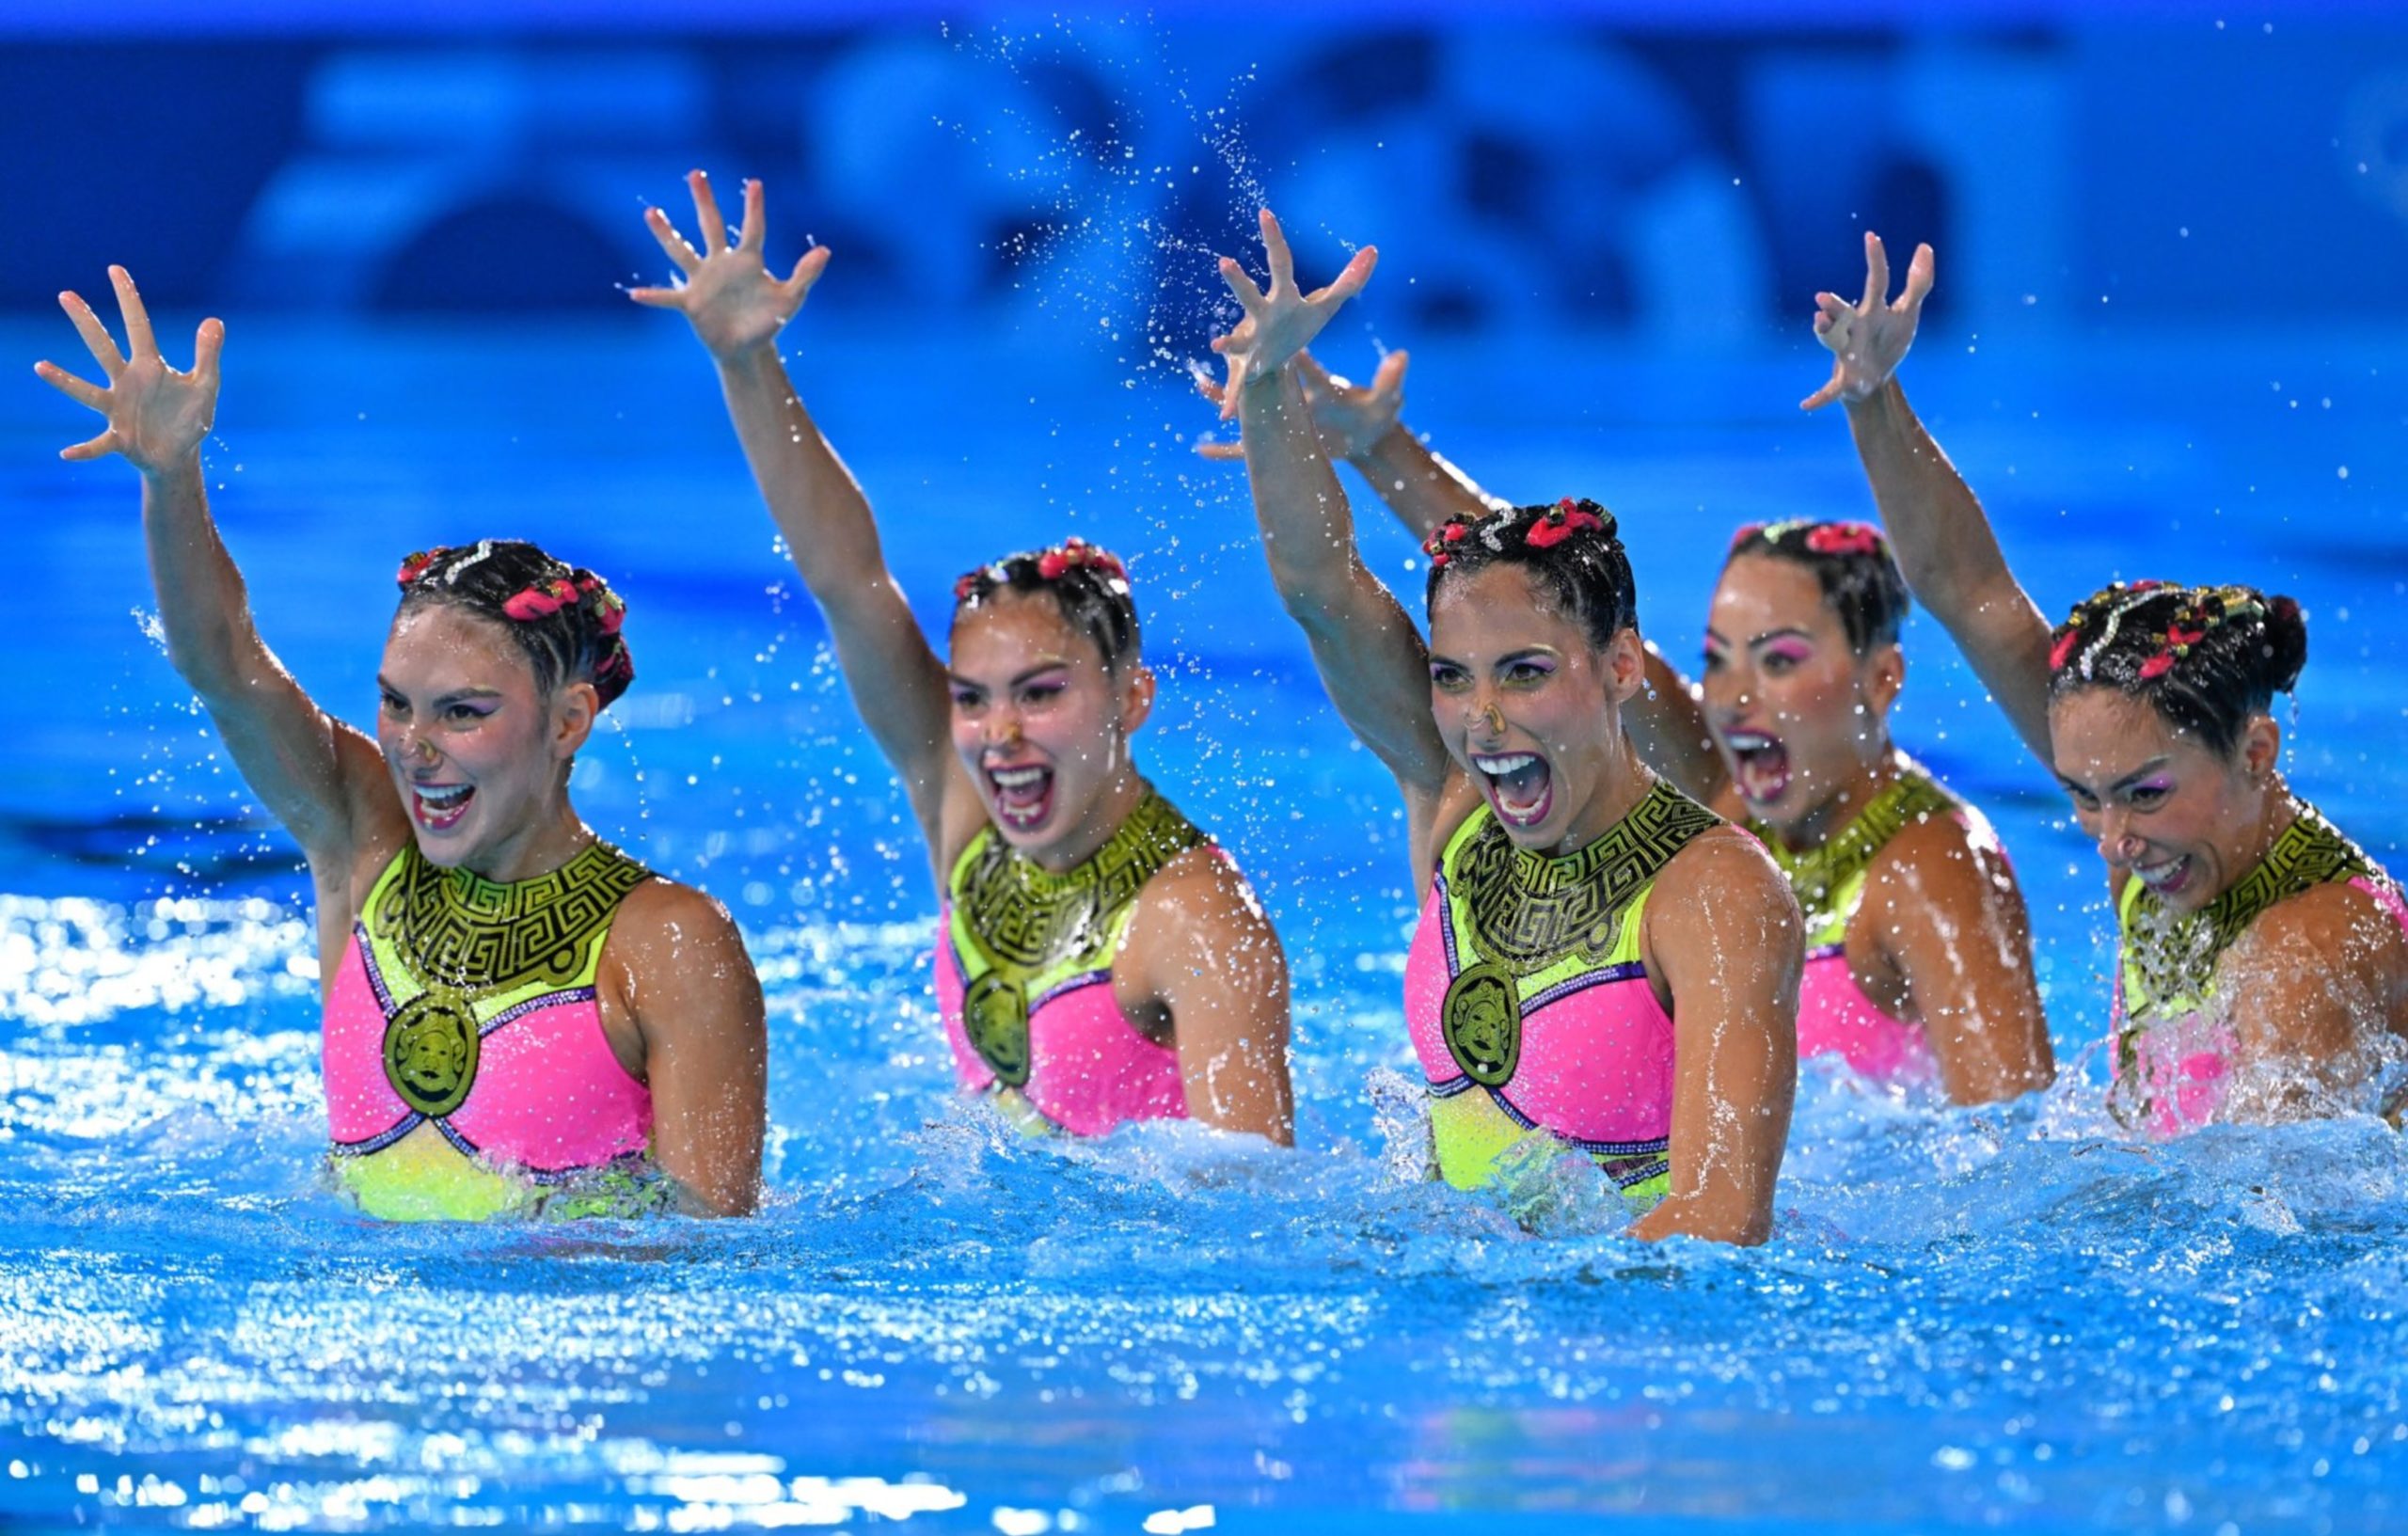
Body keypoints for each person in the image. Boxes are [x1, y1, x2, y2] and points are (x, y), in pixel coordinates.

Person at [36, 268, 768, 1219]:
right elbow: (225, 668)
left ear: (569, 720)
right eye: (396, 704)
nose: (416, 747)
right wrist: (171, 477)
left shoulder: (669, 943)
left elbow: (713, 1255)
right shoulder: (362, 844)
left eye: (462, 712)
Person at [632, 171, 1294, 1144]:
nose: (1000, 734)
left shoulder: (1197, 922)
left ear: (1131, 698)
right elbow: (848, 579)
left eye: (1041, 693)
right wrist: (748, 364)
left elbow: (1260, 1210)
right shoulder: (964, 806)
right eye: (975, 699)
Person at [1199, 352, 2053, 1103]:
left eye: (1781, 661)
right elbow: (1528, 603)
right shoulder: (1724, 800)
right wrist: (1383, 448)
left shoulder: (1931, 866)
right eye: (1719, 659)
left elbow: (2008, 1141)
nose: (1735, 697)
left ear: (1881, 679)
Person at [1212, 210, 1798, 1243]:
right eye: (1451, 677)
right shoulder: (1451, 807)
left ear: (1619, 666)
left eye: (1524, 674)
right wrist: (1268, 385)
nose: (1481, 721)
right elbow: (1319, 590)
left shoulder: (1715, 893)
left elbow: (1718, 1222)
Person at [1804, 232, 2408, 1132]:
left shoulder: (2304, 950)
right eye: (2083, 797)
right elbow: (1968, 592)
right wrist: (1874, 399)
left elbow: (2275, 1233)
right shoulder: (2179, 834)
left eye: (2140, 795)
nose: (2112, 843)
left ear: (2256, 750)